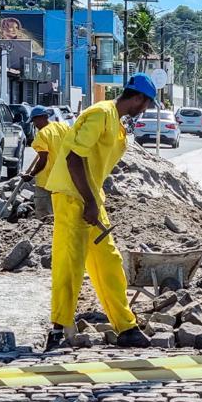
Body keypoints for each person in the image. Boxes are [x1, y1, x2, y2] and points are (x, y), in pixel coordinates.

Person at [43, 74, 160, 350]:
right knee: (69, 264)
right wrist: (89, 201)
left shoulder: (115, 121)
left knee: (109, 262)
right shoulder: (100, 114)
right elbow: (73, 158)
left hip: (90, 199)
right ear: (138, 98)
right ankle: (58, 329)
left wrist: (93, 201)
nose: (145, 109)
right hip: (72, 198)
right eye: (146, 104)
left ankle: (126, 327)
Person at [22, 106, 69, 219]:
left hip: (46, 180)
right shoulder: (61, 127)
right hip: (64, 177)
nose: (34, 124)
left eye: (34, 121)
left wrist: (31, 175)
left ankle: (45, 228)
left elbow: (43, 160)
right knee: (61, 211)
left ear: (41, 118)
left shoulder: (42, 134)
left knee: (44, 213)